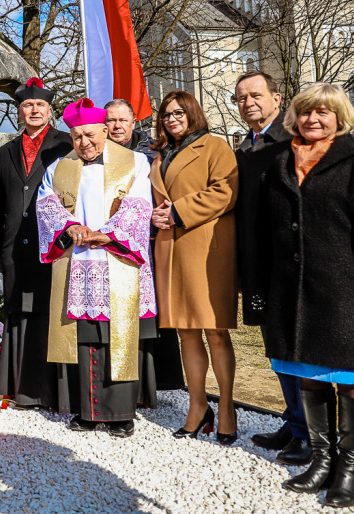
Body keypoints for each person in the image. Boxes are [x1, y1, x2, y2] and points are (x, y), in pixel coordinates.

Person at [256, 83, 354, 508]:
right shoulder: (279, 163)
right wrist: (258, 289)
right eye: (306, 112)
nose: (313, 120)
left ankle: (351, 471)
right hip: (292, 293)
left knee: (351, 379)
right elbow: (261, 232)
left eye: (323, 113)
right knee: (309, 374)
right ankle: (322, 461)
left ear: (340, 116)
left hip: (346, 294)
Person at [36, 98, 157, 436]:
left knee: (119, 335)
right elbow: (45, 204)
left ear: (105, 130)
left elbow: (139, 203)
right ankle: (88, 411)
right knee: (86, 336)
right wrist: (69, 226)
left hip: (118, 260)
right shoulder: (59, 167)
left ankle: (121, 414)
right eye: (76, 137)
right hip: (79, 263)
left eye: (90, 134)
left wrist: (110, 235)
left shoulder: (134, 162)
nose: (84, 143)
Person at [148, 90, 239, 444]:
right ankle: (198, 405)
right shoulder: (159, 156)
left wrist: (178, 211)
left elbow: (226, 193)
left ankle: (227, 406)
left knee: (215, 330)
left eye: (178, 113)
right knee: (185, 331)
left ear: (192, 113)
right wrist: (156, 215)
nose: (171, 119)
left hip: (206, 248)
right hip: (170, 249)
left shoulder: (215, 147)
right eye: (166, 115)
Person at [232, 71, 310, 465]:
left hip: (290, 261)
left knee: (299, 349)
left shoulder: (293, 140)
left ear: (277, 99)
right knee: (277, 349)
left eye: (256, 95)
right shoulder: (245, 147)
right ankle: (293, 420)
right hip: (259, 263)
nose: (249, 103)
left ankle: (308, 431)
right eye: (241, 98)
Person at [0, 78, 73, 411]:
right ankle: (18, 388)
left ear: (50, 110)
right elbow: (0, 202)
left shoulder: (66, 144)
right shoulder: (6, 151)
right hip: (15, 247)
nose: (34, 109)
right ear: (20, 111)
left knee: (48, 313)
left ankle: (51, 392)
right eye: (27, 105)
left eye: (40, 105)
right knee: (18, 313)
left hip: (53, 243)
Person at [104, 98, 184, 393]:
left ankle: (160, 380)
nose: (116, 126)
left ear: (133, 121)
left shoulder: (154, 151)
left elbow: (166, 189)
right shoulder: (95, 152)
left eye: (122, 120)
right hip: (109, 243)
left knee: (154, 313)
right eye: (110, 120)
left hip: (149, 241)